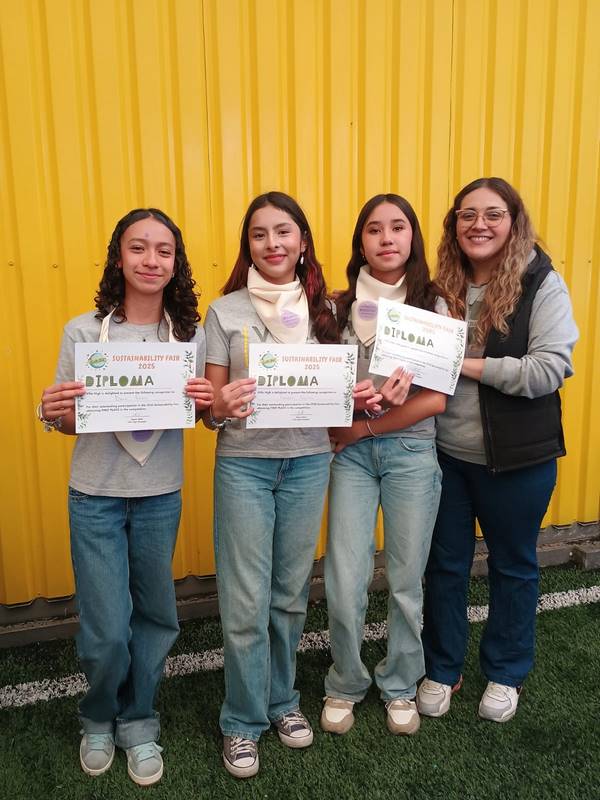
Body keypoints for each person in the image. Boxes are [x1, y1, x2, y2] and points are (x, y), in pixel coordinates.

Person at [38, 208, 213, 785]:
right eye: (138, 248)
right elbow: (70, 422)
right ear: (119, 257)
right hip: (96, 496)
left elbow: (201, 413)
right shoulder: (83, 332)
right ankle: (97, 717)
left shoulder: (189, 337)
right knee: (107, 627)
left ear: (176, 263)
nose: (150, 260)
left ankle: (139, 720)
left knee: (157, 615)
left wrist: (207, 402)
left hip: (160, 495)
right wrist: (52, 412)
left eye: (163, 250)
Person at [418, 177, 578, 723]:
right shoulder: (440, 286)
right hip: (445, 456)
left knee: (513, 565)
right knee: (444, 565)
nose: (478, 225)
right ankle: (443, 667)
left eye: (492, 214)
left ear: (513, 221)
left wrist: (463, 365)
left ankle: (506, 671)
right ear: (453, 225)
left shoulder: (542, 284)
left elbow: (548, 369)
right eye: (467, 215)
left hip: (518, 459)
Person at [202, 191, 338, 779]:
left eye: (283, 232)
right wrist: (219, 407)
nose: (272, 243)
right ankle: (241, 719)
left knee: (288, 594)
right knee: (244, 600)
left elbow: (343, 388)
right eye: (259, 234)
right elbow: (208, 410)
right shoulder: (224, 312)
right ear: (248, 245)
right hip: (245, 466)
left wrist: (362, 397)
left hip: (308, 463)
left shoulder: (329, 309)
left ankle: (282, 700)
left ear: (302, 241)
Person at [320, 194, 446, 737]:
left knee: (405, 579)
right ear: (360, 242)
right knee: (344, 577)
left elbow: (435, 400)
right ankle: (345, 681)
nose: (386, 238)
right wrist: (349, 411)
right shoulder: (334, 307)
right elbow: (323, 393)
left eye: (398, 227)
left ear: (412, 237)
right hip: (350, 458)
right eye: (374, 229)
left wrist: (367, 425)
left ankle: (399, 683)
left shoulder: (433, 306)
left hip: (411, 454)